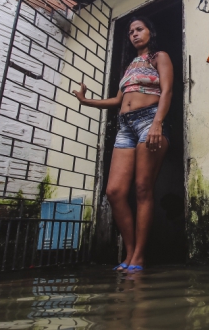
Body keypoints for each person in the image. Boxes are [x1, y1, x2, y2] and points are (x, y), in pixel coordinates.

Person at [72, 16, 172, 272]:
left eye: (139, 29)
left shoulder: (159, 56)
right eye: (130, 32)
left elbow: (168, 91)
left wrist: (157, 124)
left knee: (142, 189)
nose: (134, 34)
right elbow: (118, 101)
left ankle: (138, 257)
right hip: (125, 127)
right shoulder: (129, 67)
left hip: (149, 121)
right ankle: (129, 254)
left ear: (151, 31)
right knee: (114, 192)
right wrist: (86, 101)